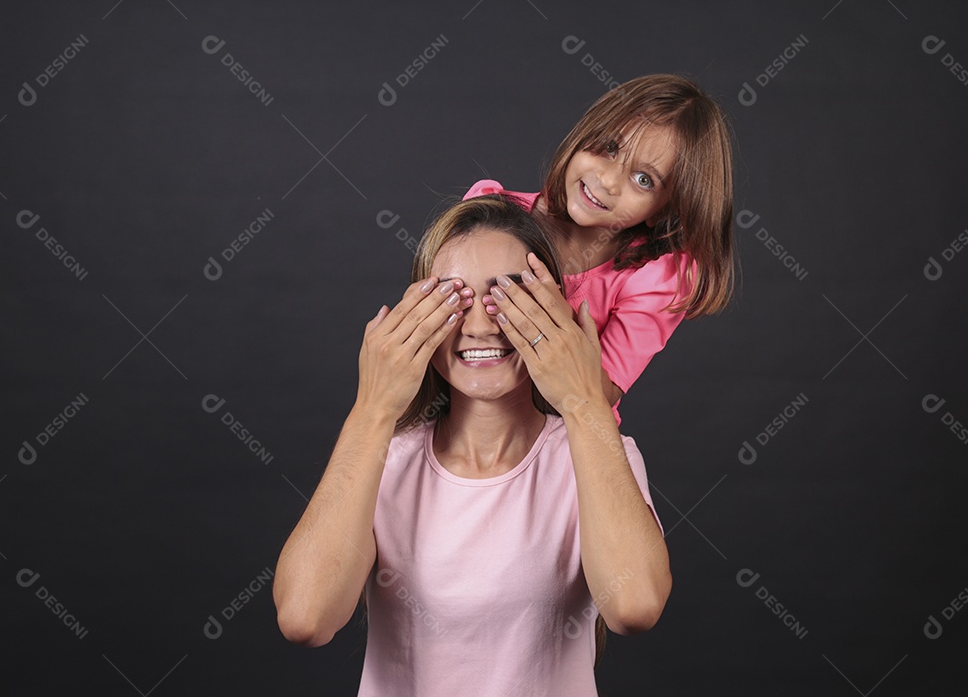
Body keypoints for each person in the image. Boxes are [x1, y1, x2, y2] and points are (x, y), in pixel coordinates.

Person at [273, 195, 671, 696]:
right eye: (452, 298)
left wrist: (583, 400)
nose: (479, 325)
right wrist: (372, 410)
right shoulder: (386, 461)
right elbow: (305, 618)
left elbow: (634, 606)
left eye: (508, 297)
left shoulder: (593, 456)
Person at [465, 73, 736, 423]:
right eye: (610, 147)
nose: (607, 181)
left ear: (664, 210)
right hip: (469, 431)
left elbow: (601, 393)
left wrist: (559, 324)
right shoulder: (490, 211)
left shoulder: (653, 278)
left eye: (643, 180)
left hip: (563, 444)